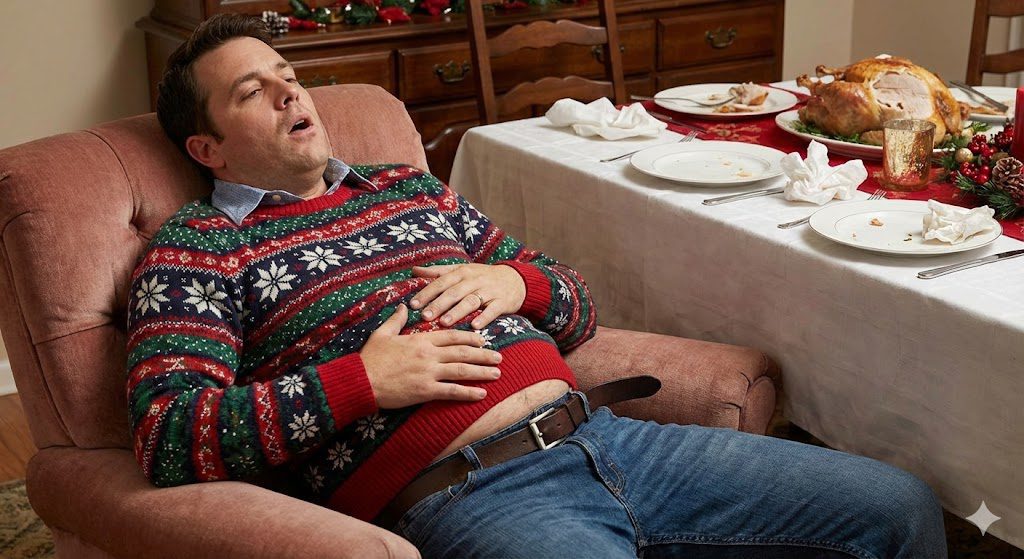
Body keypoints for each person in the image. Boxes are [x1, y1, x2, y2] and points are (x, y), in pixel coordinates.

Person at [126, 13, 948, 559]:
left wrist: (515, 285)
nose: (288, 91)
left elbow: (574, 301)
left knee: (901, 507)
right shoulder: (202, 248)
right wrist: (362, 382)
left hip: (617, 441)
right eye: (251, 92)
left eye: (285, 73)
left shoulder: (408, 189)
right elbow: (169, 437)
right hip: (471, 493)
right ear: (209, 149)